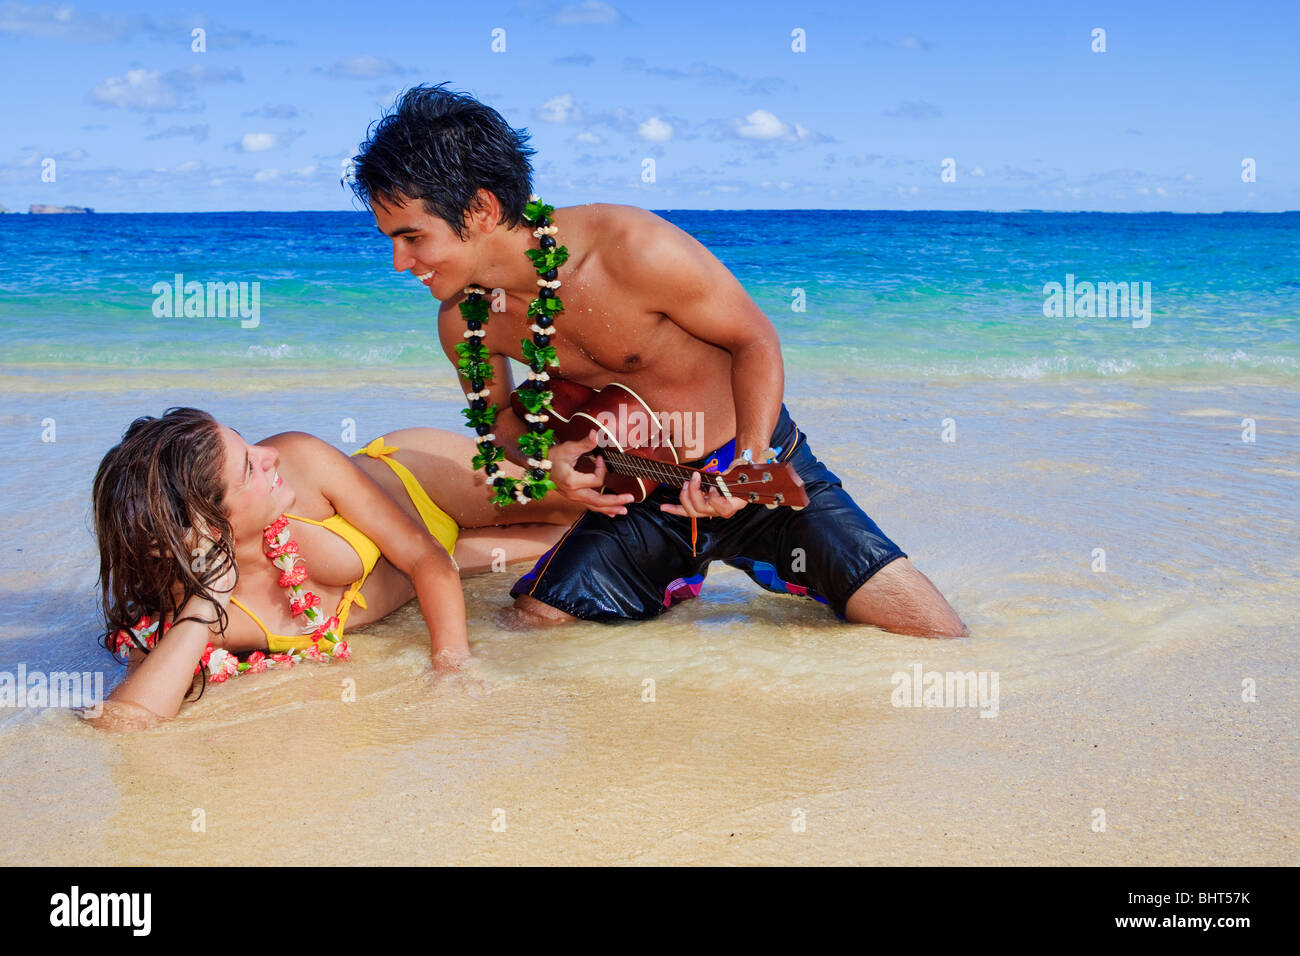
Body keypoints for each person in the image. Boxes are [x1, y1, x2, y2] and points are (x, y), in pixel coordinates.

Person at [348, 84, 968, 638]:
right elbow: (501, 427)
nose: (401, 264)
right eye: (390, 241)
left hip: (750, 465)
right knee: (529, 629)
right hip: (635, 493)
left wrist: (748, 462)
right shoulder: (464, 322)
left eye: (411, 236)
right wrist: (550, 462)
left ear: (480, 209)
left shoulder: (630, 250)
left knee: (931, 629)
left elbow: (754, 341)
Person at [89, 407, 583, 729]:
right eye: (249, 467)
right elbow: (126, 719)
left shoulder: (302, 463)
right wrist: (210, 594)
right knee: (578, 540)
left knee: (583, 500)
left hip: (420, 487)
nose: (270, 453)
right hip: (455, 559)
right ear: (211, 526)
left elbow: (422, 556)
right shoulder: (196, 613)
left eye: (246, 443)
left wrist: (451, 661)